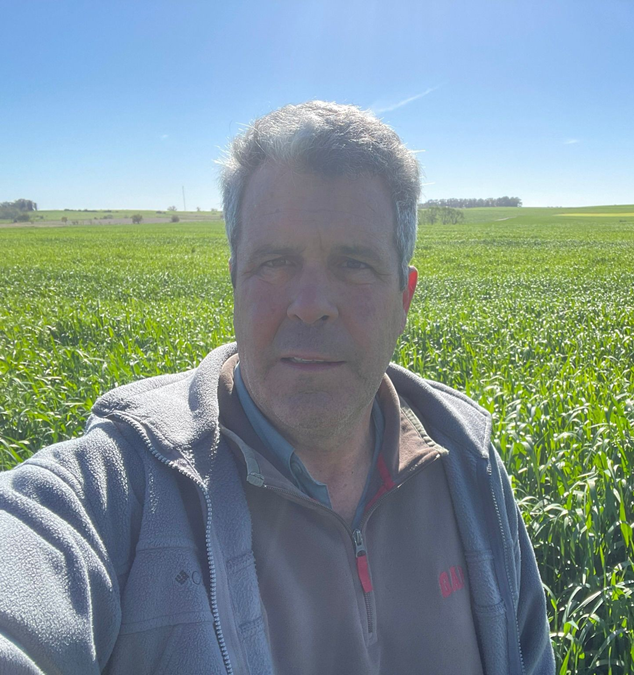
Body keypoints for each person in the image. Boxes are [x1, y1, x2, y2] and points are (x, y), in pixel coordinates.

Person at [0, 101, 554, 674]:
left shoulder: (468, 464)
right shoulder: (120, 489)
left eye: (354, 264)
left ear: (404, 299)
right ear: (235, 281)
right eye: (275, 262)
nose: (310, 306)